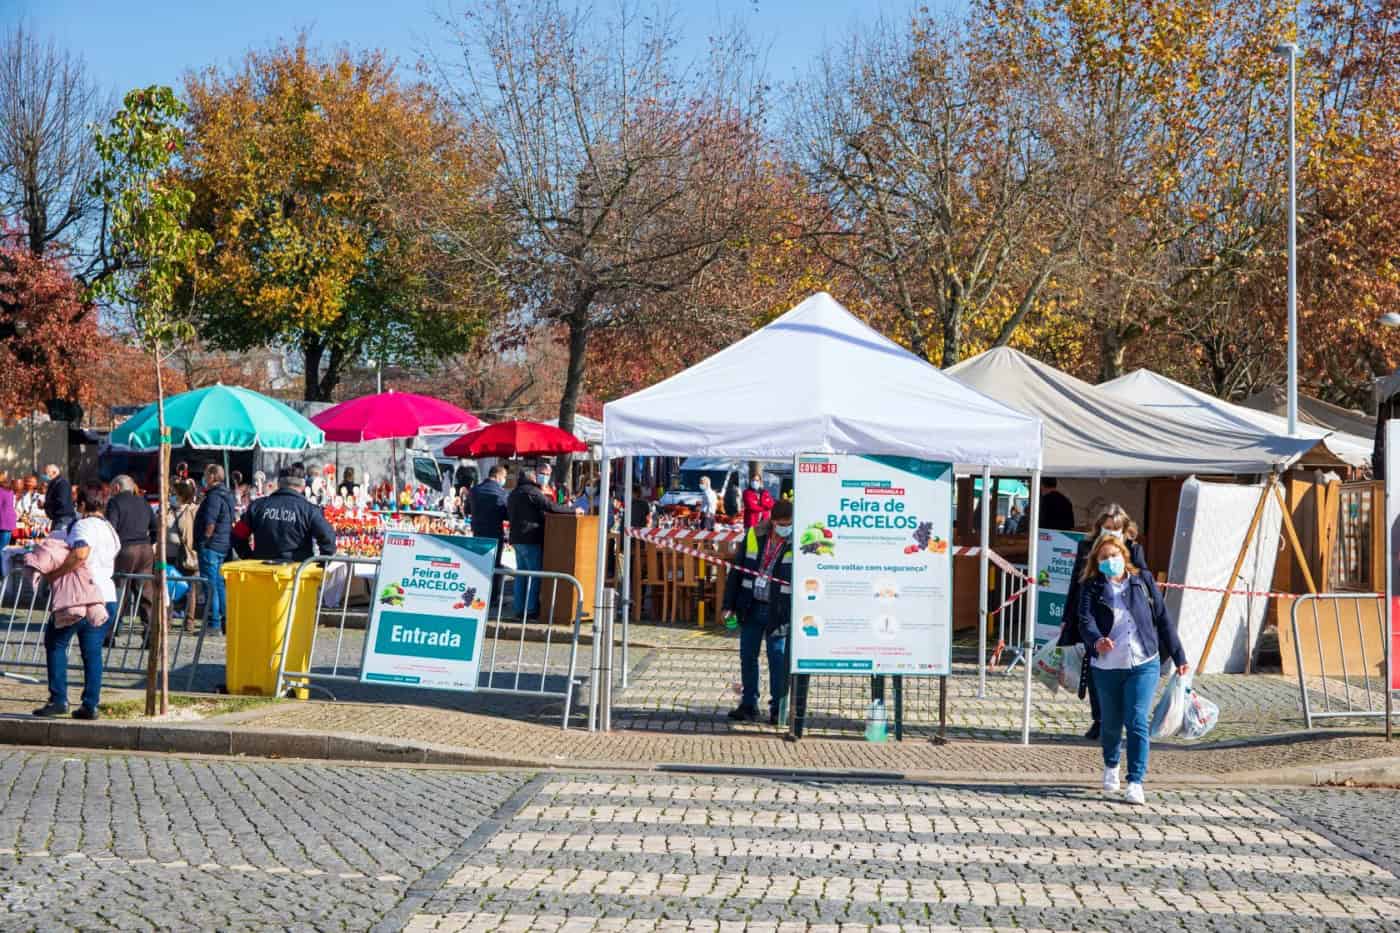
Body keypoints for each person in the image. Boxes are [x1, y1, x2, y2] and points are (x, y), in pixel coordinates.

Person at [1076, 534, 1187, 805]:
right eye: (1103, 557)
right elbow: (1084, 619)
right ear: (1096, 562)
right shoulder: (1091, 587)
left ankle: (1136, 781)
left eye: (1114, 555)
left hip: (1143, 662)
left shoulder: (1143, 581)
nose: (1109, 561)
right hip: (1107, 666)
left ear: (1124, 556)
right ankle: (1111, 764)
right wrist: (1096, 639)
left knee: (1136, 720)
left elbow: (1163, 619)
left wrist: (1179, 655)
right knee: (1111, 724)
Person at [1059, 504, 1150, 740]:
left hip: (1123, 620)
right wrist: (1066, 620)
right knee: (1094, 672)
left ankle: (1122, 720)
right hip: (1092, 617)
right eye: (1106, 527)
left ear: (1125, 529)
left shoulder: (1133, 549)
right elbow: (1075, 584)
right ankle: (1099, 720)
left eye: (1115, 528)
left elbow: (1143, 581)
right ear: (1098, 528)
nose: (1110, 532)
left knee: (1125, 672)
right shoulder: (1086, 547)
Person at [33, 481, 120, 720]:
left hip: (81, 596)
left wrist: (55, 574)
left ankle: (58, 698)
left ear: (82, 503)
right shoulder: (109, 528)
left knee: (56, 643)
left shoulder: (82, 526)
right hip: (106, 594)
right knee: (91, 652)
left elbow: (81, 553)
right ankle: (90, 704)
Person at [721, 499, 794, 725]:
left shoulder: (798, 541)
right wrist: (728, 605)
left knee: (778, 659)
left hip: (779, 610)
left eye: (789, 523)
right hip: (751, 606)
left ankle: (777, 708)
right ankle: (749, 704)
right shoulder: (754, 535)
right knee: (748, 657)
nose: (785, 528)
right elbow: (736, 570)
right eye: (782, 523)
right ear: (772, 521)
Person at [506, 468, 574, 619]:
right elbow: (550, 506)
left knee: (521, 575)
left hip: (517, 538)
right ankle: (530, 610)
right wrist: (572, 511)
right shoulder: (533, 492)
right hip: (531, 537)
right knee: (534, 575)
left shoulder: (513, 493)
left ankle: (518, 608)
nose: (541, 478)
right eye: (539, 476)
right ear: (532, 478)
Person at [232, 465, 337, 562]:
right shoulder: (309, 510)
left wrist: (249, 557)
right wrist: (322, 564)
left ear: (278, 484)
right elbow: (328, 538)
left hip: (262, 572)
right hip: (297, 574)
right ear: (304, 486)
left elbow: (237, 535)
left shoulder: (258, 506)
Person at [106, 475, 158, 630]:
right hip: (145, 550)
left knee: (119, 592)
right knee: (145, 593)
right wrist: (149, 542)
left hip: (125, 549)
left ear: (116, 488)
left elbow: (111, 528)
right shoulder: (144, 502)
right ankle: (149, 634)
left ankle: (111, 632)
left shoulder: (114, 502)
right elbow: (155, 527)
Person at [194, 465, 238, 635]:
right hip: (222, 545)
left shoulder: (213, 496)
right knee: (219, 585)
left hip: (212, 546)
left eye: (206, 475)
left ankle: (213, 623)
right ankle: (225, 621)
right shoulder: (227, 495)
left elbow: (210, 522)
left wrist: (204, 540)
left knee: (210, 585)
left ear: (212, 476)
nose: (204, 478)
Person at [166, 480, 200, 628]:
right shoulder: (168, 509)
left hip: (188, 554)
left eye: (174, 494)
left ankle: (189, 621)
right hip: (170, 554)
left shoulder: (193, 510)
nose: (171, 496)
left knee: (190, 589)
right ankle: (167, 620)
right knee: (169, 587)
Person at [42, 463, 76, 537]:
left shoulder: (62, 484)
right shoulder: (54, 483)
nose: (44, 476)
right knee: (53, 540)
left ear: (54, 473)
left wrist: (45, 504)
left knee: (57, 542)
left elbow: (61, 501)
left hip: (63, 519)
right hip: (56, 519)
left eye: (46, 473)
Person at [0, 470, 14, 549]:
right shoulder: (9, 490)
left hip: (2, 522)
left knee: (1, 548)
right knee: (4, 548)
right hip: (9, 521)